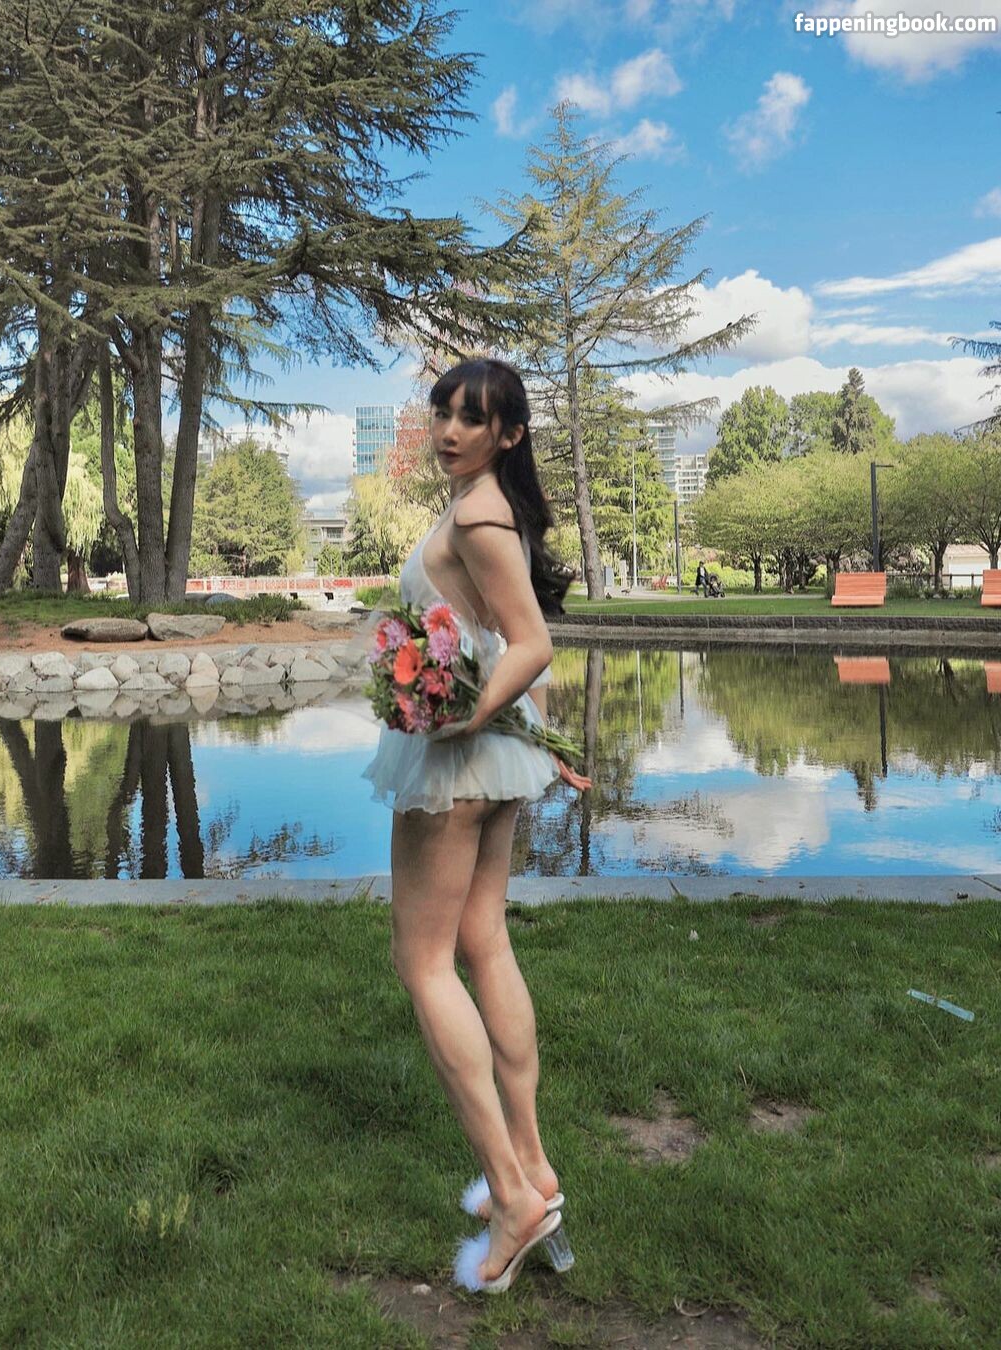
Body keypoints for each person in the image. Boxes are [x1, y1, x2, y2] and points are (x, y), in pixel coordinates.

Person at [361, 358, 590, 1294]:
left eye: (472, 418)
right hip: (492, 758)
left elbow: (532, 642)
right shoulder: (487, 505)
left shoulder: (480, 516)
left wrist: (463, 717)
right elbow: (494, 633)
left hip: (463, 759)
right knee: (483, 938)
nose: (451, 431)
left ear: (509, 433)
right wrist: (524, 730)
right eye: (443, 414)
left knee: (422, 962)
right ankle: (532, 1165)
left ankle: (511, 1194)